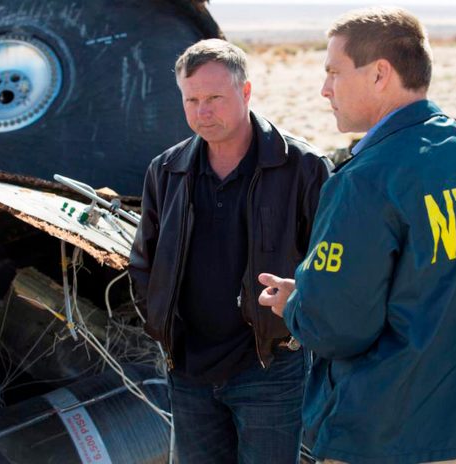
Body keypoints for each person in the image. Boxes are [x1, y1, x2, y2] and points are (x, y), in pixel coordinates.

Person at [258, 7, 456, 464]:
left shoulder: (367, 178)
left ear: (380, 74)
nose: (325, 90)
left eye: (334, 72)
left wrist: (298, 303)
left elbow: (337, 326)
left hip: (383, 435)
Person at [128, 39, 331, 463]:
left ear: (246, 92)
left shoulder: (303, 167)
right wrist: (161, 321)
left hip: (269, 365)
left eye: (215, 98)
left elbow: (332, 265)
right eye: (192, 99)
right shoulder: (167, 170)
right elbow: (143, 260)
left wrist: (297, 320)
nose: (203, 111)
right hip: (187, 368)